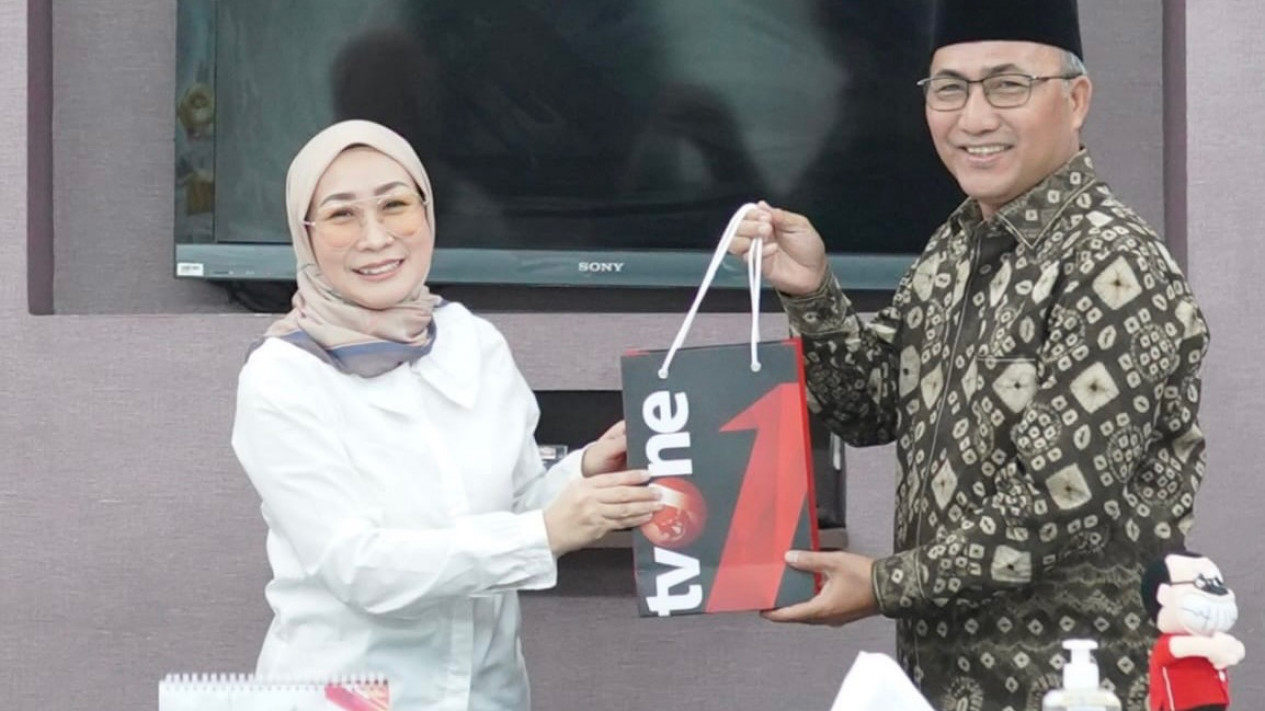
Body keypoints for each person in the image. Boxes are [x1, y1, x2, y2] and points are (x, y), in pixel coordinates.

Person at [728, 1, 1210, 709]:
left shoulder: (1113, 263)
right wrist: (812, 293)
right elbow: (869, 408)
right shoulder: (954, 245)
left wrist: (884, 584)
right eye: (949, 89)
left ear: (1075, 99)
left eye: (1007, 85)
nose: (973, 119)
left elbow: (1059, 504)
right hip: (941, 679)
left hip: (1079, 683)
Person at [230, 119, 662, 711]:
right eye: (341, 215)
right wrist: (545, 533)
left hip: (489, 693)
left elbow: (512, 506)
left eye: (396, 205)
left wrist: (584, 471)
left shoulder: (472, 342)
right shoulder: (282, 377)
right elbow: (359, 569)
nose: (376, 237)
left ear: (428, 211)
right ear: (304, 236)